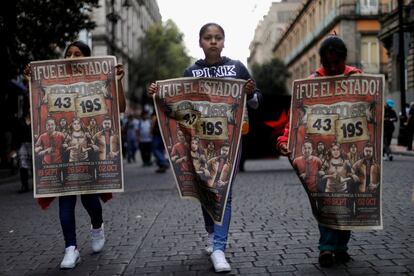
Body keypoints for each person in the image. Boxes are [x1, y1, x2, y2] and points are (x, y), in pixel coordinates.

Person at [148, 22, 260, 273]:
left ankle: (219, 248)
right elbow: (178, 106)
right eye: (208, 38)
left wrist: (251, 94)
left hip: (229, 143)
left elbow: (255, 103)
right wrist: (158, 94)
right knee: (206, 190)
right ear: (200, 42)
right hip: (200, 143)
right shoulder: (191, 72)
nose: (213, 41)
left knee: (224, 191)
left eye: (217, 37)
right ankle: (211, 233)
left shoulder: (238, 68)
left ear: (224, 41)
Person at [24, 40, 126, 269]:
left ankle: (97, 226)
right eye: (68, 54)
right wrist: (29, 81)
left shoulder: (99, 80)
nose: (71, 58)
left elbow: (119, 108)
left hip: (88, 157)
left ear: (87, 58)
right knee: (66, 200)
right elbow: (34, 112)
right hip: (66, 157)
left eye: (77, 54)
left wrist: (118, 82)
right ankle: (71, 248)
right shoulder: (53, 81)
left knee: (90, 200)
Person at [276, 35, 362, 268]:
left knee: (347, 200)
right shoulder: (311, 83)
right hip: (320, 152)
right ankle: (326, 248)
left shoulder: (357, 78)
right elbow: (296, 118)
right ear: (322, 60)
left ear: (344, 58)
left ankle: (341, 247)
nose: (333, 67)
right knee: (326, 200)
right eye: (328, 63)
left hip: (349, 151)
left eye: (337, 63)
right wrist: (285, 139)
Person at [11, 107, 33, 193]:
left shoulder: (37, 120)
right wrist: (13, 149)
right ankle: (24, 185)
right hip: (22, 145)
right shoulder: (20, 121)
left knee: (34, 165)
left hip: (33, 144)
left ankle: (36, 186)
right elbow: (15, 135)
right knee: (23, 165)